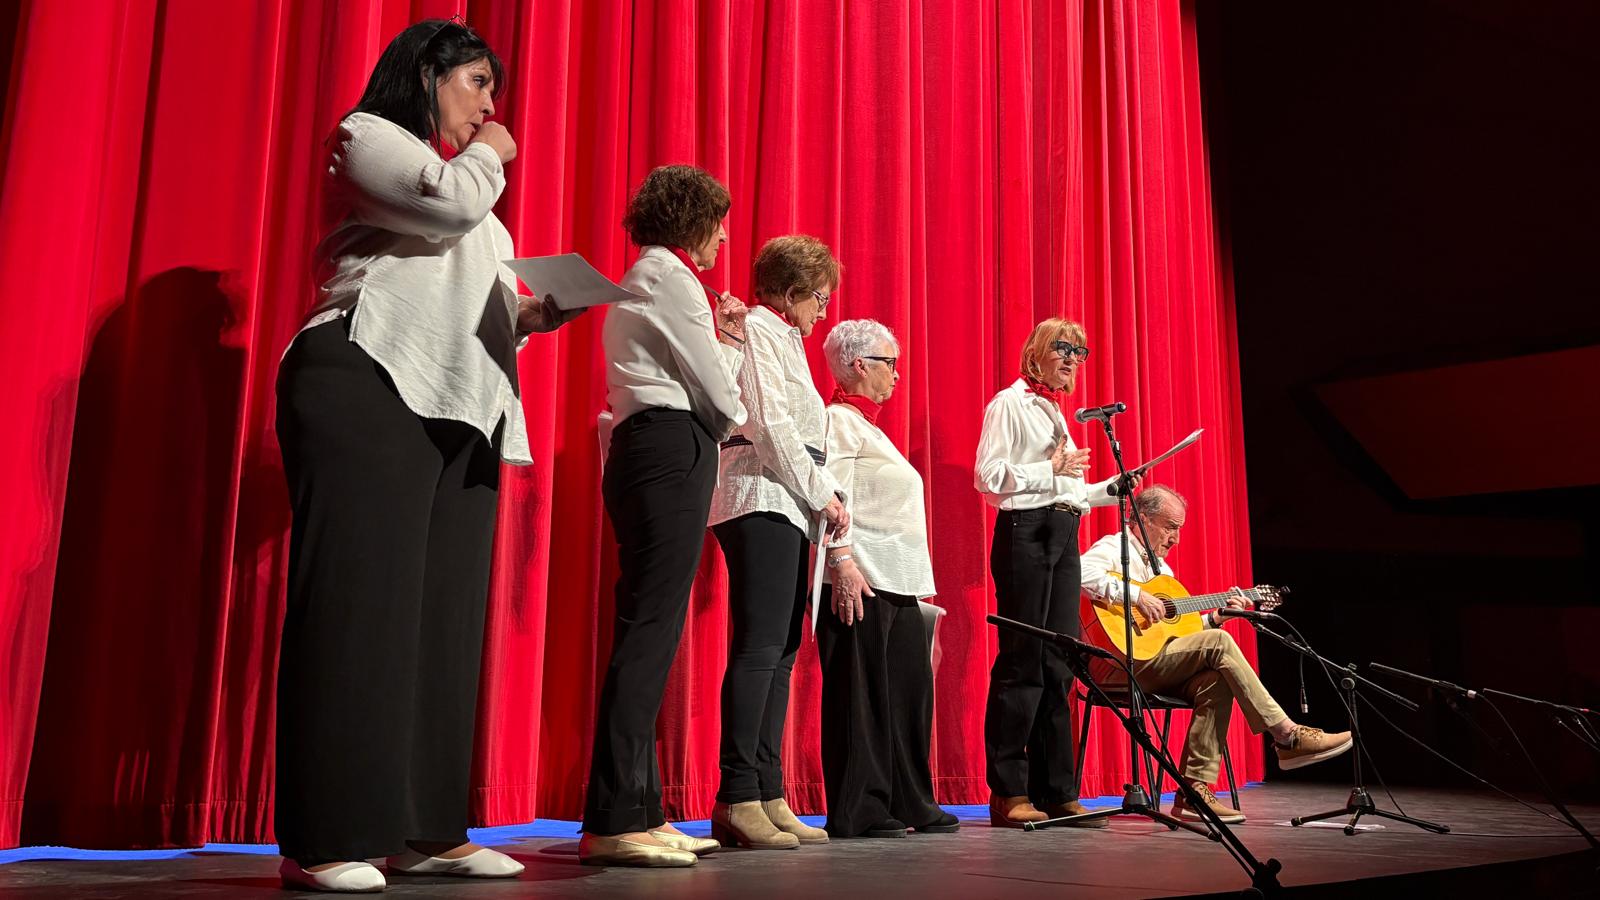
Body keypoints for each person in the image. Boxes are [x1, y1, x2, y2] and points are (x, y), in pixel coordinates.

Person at [274, 17, 581, 892]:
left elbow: (465, 286)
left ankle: (424, 828)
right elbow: (448, 203)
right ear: (426, 75)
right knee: (358, 607)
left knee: (441, 623)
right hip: (365, 374)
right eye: (477, 83)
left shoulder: (475, 199)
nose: (490, 105)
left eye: (494, 92)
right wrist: (493, 152)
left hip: (461, 401)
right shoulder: (367, 138)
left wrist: (532, 315)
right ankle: (327, 834)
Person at [580, 164, 750, 867]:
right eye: (718, 221)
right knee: (649, 633)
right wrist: (735, 411)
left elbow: (699, 365)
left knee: (649, 629)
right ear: (695, 220)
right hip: (668, 446)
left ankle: (639, 810)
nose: (722, 237)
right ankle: (616, 818)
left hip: (644, 447)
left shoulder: (644, 277)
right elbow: (715, 389)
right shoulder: (671, 278)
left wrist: (728, 341)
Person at [1079, 484, 1353, 824]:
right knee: (1219, 645)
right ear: (1141, 519)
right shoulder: (1114, 547)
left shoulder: (1163, 573)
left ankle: (1194, 794)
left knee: (1214, 680)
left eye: (1179, 529)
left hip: (1153, 662)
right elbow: (1079, 573)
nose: (1176, 538)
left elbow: (1180, 634)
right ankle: (1286, 735)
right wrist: (1136, 596)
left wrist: (1217, 617)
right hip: (1117, 663)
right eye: (1170, 526)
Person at [707, 236, 848, 849]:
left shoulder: (786, 337)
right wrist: (822, 491)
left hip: (789, 500)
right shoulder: (763, 329)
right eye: (819, 298)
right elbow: (769, 423)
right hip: (757, 495)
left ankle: (768, 790)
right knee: (761, 646)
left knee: (784, 647)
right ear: (791, 294)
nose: (823, 311)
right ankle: (737, 794)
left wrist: (818, 495)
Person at [973, 317, 1131, 829]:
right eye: (1061, 348)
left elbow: (1070, 492)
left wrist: (1113, 488)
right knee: (1022, 661)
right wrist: (1050, 471)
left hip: (1064, 533)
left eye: (1079, 352)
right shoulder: (1009, 403)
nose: (1070, 358)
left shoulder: (1059, 416)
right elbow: (988, 477)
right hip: (1024, 532)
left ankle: (1057, 789)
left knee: (1061, 664)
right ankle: (1009, 791)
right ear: (1036, 352)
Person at [816, 320, 958, 839]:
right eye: (890, 362)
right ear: (859, 365)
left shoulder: (869, 426)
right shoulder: (837, 421)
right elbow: (833, 494)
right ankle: (861, 807)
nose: (898, 374)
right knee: (862, 699)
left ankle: (911, 799)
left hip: (896, 582)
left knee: (905, 697)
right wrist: (842, 561)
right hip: (862, 577)